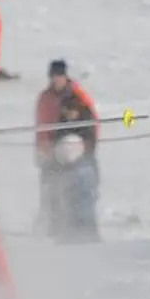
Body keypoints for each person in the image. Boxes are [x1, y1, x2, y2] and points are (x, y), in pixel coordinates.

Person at [34, 59, 100, 244]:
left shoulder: (77, 97)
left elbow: (92, 126)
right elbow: (41, 126)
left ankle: (88, 236)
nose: (56, 80)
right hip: (52, 154)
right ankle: (57, 233)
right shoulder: (45, 98)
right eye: (53, 77)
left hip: (80, 157)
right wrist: (42, 150)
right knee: (52, 196)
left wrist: (86, 149)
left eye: (59, 76)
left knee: (83, 196)